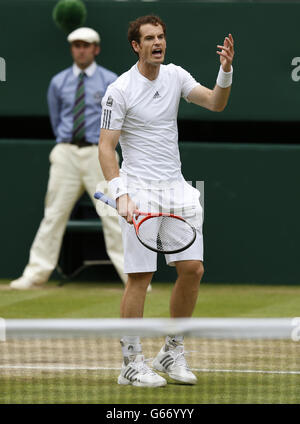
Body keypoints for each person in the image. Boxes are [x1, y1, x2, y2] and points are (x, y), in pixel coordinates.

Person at [98, 15, 234, 387]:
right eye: (149, 38)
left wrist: (225, 71)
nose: (158, 43)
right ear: (135, 46)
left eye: (161, 37)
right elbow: (106, 147)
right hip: (139, 191)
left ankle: (172, 351)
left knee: (193, 269)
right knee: (140, 276)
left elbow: (215, 103)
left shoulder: (176, 75)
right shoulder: (120, 89)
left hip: (177, 189)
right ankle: (130, 362)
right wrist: (120, 194)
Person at [10, 27, 127, 289]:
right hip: (66, 152)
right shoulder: (58, 82)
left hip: (100, 153)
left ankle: (132, 275)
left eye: (86, 45)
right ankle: (35, 274)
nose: (81, 50)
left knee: (111, 213)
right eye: (76, 45)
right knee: (54, 214)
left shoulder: (111, 81)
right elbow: (57, 118)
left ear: (95, 49)